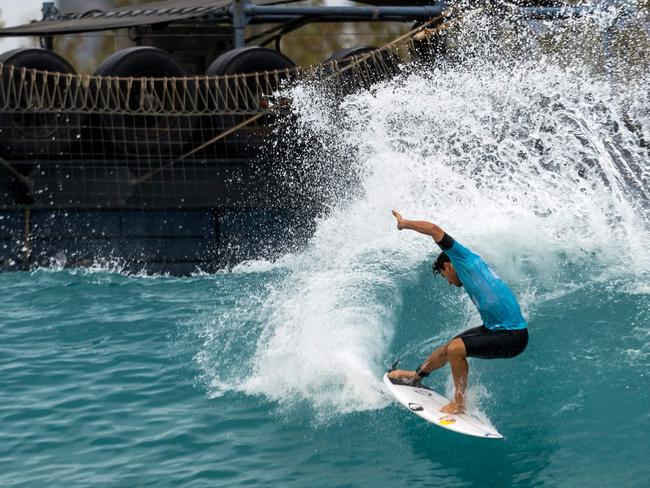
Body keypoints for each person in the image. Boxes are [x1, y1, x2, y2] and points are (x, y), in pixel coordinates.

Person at [388, 210, 528, 414]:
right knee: (447, 349)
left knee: (456, 349)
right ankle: (414, 377)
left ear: (448, 265)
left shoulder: (461, 258)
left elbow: (434, 230)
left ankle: (459, 403)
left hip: (513, 335)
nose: (451, 284)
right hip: (494, 329)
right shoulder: (470, 266)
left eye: (446, 277)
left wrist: (404, 223)